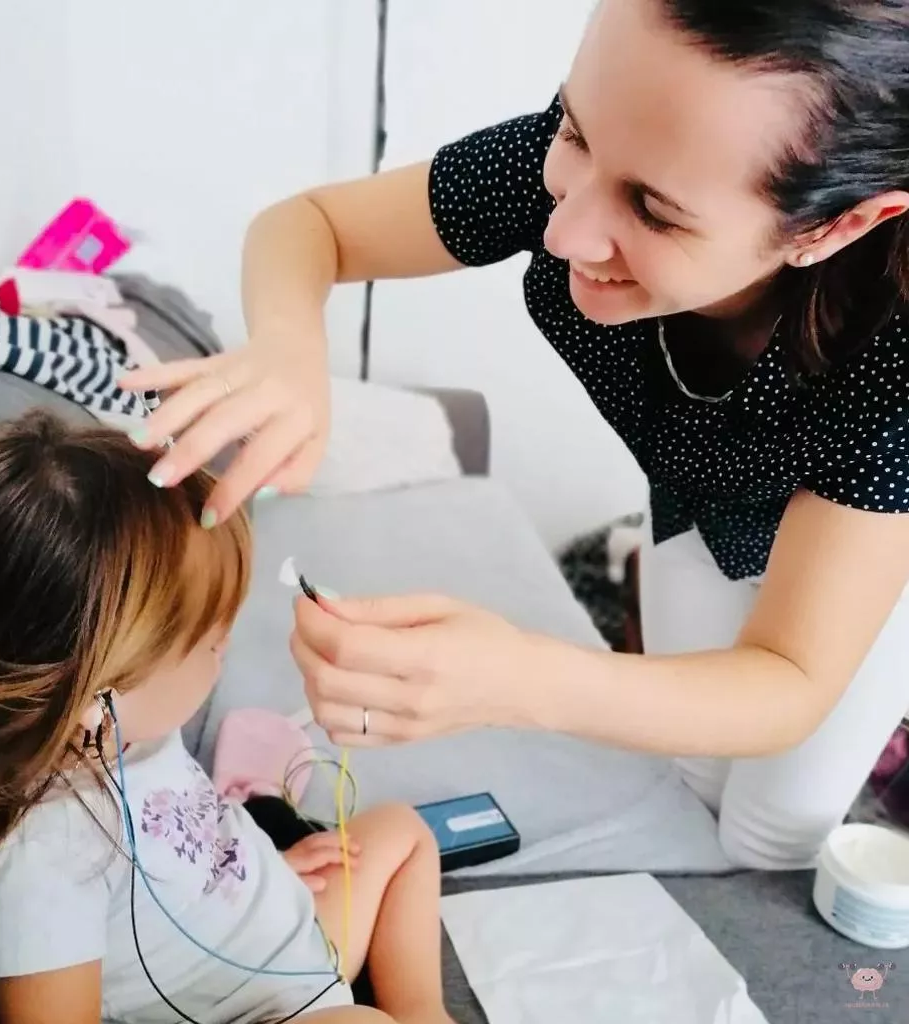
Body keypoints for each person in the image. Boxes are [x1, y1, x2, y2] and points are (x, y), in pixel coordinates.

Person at [121, 0, 909, 871]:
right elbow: (311, 225)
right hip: (696, 499)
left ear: (837, 226)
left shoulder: (895, 361)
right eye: (576, 131)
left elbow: (788, 681)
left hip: (876, 553)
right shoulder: (565, 171)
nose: (564, 227)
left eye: (654, 209)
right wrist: (286, 349)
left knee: (769, 831)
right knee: (694, 774)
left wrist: (516, 680)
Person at [0, 411, 452, 1024]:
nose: (226, 648)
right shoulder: (42, 863)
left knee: (403, 834)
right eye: (210, 642)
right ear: (93, 698)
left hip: (284, 940)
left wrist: (248, 889)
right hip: (255, 1010)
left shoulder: (127, 727)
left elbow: (179, 845)